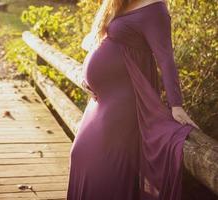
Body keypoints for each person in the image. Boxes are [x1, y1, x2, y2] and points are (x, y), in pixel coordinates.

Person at [66, 0, 200, 199]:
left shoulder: (156, 8)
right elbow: (100, 39)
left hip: (124, 99)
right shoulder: (121, 3)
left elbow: (166, 58)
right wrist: (87, 76)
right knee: (80, 153)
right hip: (100, 100)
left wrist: (176, 105)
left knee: (103, 165)